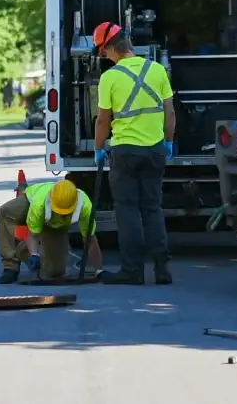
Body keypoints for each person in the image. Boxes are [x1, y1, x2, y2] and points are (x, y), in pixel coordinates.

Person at [91, 21, 176, 285]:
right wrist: (168, 142)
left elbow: (103, 120)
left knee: (127, 211)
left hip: (125, 153)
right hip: (154, 150)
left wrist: (98, 148)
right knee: (152, 208)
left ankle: (132, 270)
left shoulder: (110, 78)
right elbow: (170, 112)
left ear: (111, 48)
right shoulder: (158, 70)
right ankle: (162, 269)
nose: (104, 57)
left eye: (103, 52)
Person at [0, 179, 104, 284]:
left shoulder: (85, 206)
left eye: (66, 213)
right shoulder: (39, 203)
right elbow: (33, 235)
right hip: (31, 203)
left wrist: (99, 271)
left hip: (55, 226)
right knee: (5, 212)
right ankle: (10, 266)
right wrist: (34, 254)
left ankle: (23, 248)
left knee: (54, 273)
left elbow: (90, 241)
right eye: (59, 212)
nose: (61, 215)